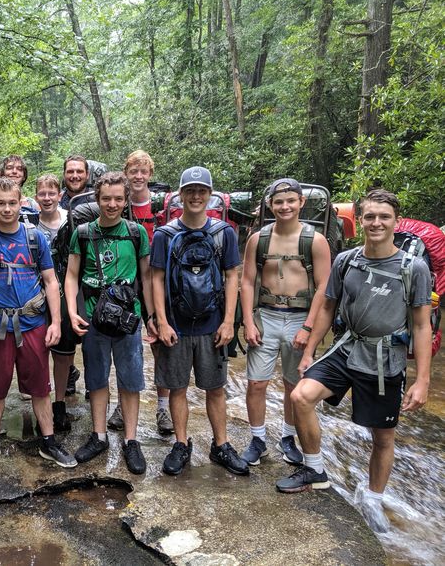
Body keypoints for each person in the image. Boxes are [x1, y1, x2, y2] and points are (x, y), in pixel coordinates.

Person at [276, 189, 431, 533]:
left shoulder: (413, 268)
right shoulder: (346, 261)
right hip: (347, 349)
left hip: (385, 359)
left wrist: (422, 379)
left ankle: (373, 498)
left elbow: (421, 325)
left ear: (395, 222)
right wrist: (309, 351)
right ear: (360, 221)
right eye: (370, 216)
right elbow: (328, 307)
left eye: (384, 217)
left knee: (383, 437)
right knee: (301, 396)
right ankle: (314, 469)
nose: (376, 223)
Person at [0, 177, 76, 468]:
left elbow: (51, 282)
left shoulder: (34, 237)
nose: (6, 209)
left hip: (33, 323)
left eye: (12, 203)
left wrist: (55, 322)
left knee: (40, 387)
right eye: (0, 203)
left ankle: (49, 440)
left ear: (21, 202)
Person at [151, 166, 248, 477]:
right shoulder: (165, 235)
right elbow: (156, 279)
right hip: (176, 326)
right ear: (180, 195)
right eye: (190, 191)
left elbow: (233, 276)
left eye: (201, 191)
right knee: (177, 388)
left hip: (213, 324)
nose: (195, 196)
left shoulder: (223, 233)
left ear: (210, 195)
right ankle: (181, 443)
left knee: (216, 388)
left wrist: (229, 321)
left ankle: (221, 444)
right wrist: (161, 322)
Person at [65, 171, 155, 475]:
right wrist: (72, 310)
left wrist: (151, 316)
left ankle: (131, 440)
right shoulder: (84, 233)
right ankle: (99, 435)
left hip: (128, 319)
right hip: (94, 317)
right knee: (97, 378)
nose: (112, 204)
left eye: (118, 198)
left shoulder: (136, 233)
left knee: (130, 380)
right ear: (97, 198)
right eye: (106, 198)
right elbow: (71, 275)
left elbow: (146, 277)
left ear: (126, 199)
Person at [239, 179, 330, 466]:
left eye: (291, 201)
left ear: (301, 203)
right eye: (278, 202)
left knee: (294, 385)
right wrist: (248, 322)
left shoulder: (315, 240)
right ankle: (257, 438)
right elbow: (247, 281)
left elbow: (324, 287)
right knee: (256, 383)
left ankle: (288, 437)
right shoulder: (259, 239)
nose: (285, 206)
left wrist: (308, 328)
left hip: (299, 319)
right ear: (270, 206)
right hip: (266, 316)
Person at [107, 150, 174, 435]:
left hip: (156, 279)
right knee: (124, 347)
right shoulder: (118, 204)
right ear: (126, 173)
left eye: (143, 171)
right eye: (133, 171)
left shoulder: (161, 206)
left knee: (161, 346)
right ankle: (123, 405)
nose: (138, 176)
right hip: (127, 284)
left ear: (150, 174)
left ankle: (163, 408)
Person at [35, 174, 74, 430]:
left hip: (64, 290)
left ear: (59, 195)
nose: (47, 198)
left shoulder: (72, 221)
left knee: (63, 353)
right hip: (36, 295)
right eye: (42, 194)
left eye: (52, 193)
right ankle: (42, 404)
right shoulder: (28, 223)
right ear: (36, 196)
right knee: (38, 352)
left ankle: (59, 403)